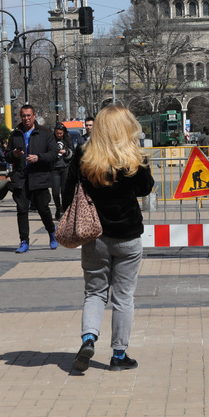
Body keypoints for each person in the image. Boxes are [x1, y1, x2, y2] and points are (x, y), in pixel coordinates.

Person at [62, 104, 155, 372]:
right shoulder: (133, 157)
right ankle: (118, 355)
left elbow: (67, 194)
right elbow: (145, 189)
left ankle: (89, 338)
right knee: (124, 297)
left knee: (94, 292)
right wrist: (138, 156)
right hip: (128, 235)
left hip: (95, 235)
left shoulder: (84, 156)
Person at [6, 105, 58, 253]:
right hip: (21, 177)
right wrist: (13, 155)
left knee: (43, 208)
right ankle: (24, 241)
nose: (26, 118)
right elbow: (7, 155)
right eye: (23, 116)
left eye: (29, 115)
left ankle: (52, 232)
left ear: (34, 116)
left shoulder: (44, 133)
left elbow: (54, 153)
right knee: (22, 209)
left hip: (39, 176)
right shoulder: (16, 133)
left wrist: (39, 157)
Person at [51, 124, 74, 219]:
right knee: (55, 192)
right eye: (57, 133)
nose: (59, 135)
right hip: (54, 168)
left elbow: (73, 152)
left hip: (65, 167)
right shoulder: (51, 140)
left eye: (60, 133)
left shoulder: (67, 140)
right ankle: (58, 206)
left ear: (64, 132)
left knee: (64, 191)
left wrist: (66, 151)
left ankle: (65, 210)